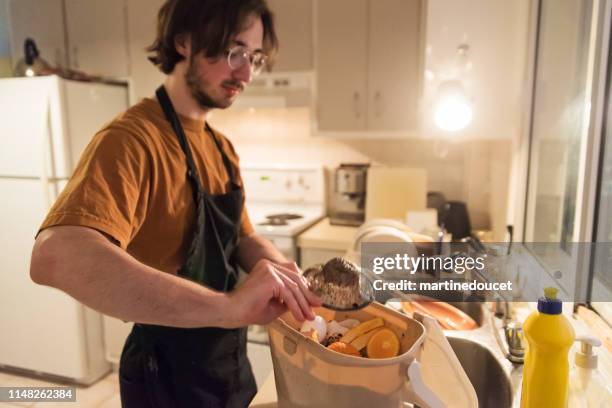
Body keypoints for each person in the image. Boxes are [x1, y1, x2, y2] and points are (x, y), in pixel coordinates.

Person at [29, 0, 322, 406]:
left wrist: (286, 278)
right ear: (184, 42)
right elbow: (55, 256)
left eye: (255, 57)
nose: (247, 72)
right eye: (235, 51)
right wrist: (228, 306)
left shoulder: (221, 147)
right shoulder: (132, 139)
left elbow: (242, 237)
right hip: (164, 372)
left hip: (228, 363)